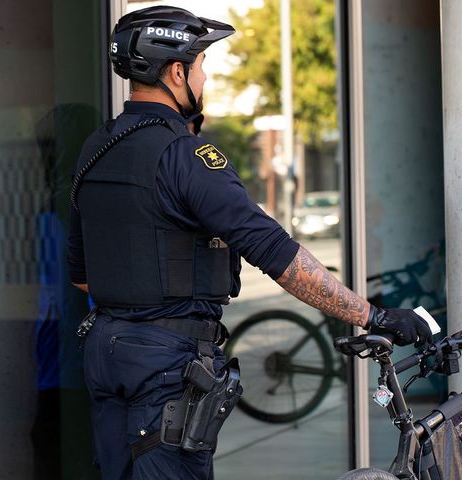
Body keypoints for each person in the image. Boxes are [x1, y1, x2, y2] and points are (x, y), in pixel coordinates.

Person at [68, 6, 433, 480]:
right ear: (176, 73)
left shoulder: (96, 148)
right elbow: (278, 255)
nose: (205, 77)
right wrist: (374, 316)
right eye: (200, 66)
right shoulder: (187, 156)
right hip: (165, 369)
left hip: (105, 353)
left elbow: (82, 277)